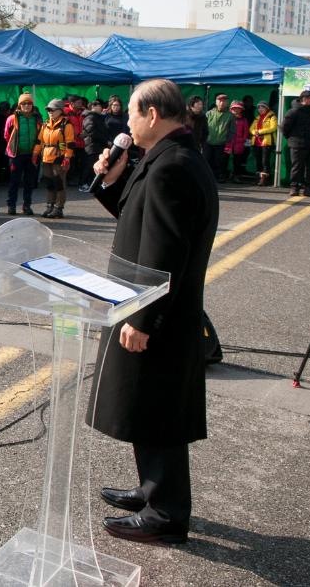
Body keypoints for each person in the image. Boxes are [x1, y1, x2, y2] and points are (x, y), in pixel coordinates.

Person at [87, 78, 217, 546]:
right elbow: (134, 214)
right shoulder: (165, 158)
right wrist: (113, 175)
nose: (126, 122)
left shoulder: (173, 166)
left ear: (153, 115)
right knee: (149, 403)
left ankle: (165, 513)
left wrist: (142, 318)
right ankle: (152, 489)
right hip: (151, 305)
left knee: (160, 407)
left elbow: (165, 251)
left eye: (131, 113)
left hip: (156, 311)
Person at [34, 98, 74, 219]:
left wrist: (67, 157)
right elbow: (39, 140)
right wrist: (35, 154)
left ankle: (58, 208)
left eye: (52, 110)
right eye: (48, 110)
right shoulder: (45, 124)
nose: (50, 112)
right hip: (46, 157)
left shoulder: (66, 124)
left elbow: (70, 143)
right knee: (49, 183)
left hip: (59, 157)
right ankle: (49, 206)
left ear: (60, 111)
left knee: (59, 183)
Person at [3, 93, 42, 216]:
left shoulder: (37, 118)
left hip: (32, 155)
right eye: (24, 103)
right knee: (14, 181)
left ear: (32, 105)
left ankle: (27, 206)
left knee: (29, 182)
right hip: (16, 155)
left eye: (29, 103)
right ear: (19, 105)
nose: (26, 105)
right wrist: (15, 147)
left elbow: (40, 134)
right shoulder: (12, 118)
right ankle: (11, 205)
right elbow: (6, 135)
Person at [281, 89, 310, 197]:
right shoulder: (294, 111)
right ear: (305, 99)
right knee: (297, 167)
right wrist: (292, 138)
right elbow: (284, 128)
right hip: (297, 144)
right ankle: (294, 187)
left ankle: (308, 189)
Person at [204, 94, 234, 183]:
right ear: (216, 102)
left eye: (224, 101)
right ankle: (206, 177)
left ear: (227, 103)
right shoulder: (209, 113)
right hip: (208, 142)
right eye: (220, 101)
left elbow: (232, 131)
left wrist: (227, 141)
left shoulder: (230, 116)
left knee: (220, 162)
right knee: (206, 160)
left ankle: (219, 177)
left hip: (222, 143)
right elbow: (203, 128)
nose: (222, 103)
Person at [81, 98, 109, 190]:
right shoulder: (90, 117)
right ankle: (83, 184)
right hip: (91, 146)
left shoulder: (97, 116)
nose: (102, 108)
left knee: (94, 166)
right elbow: (91, 132)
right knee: (89, 166)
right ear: (93, 107)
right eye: (100, 106)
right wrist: (105, 140)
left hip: (97, 145)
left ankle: (91, 184)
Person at [250, 100, 278, 187]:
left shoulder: (272, 117)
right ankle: (258, 179)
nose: (260, 109)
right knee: (258, 161)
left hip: (267, 142)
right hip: (256, 142)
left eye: (262, 107)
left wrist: (260, 131)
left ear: (267, 108)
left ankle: (265, 180)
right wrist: (255, 132)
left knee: (265, 161)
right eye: (258, 108)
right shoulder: (257, 117)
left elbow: (273, 128)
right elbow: (251, 129)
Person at [225, 101, 251, 183]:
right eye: (234, 108)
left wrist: (242, 140)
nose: (236, 110)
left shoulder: (244, 120)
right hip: (228, 142)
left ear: (241, 110)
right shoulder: (226, 117)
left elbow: (246, 132)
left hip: (238, 143)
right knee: (224, 159)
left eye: (238, 108)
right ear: (231, 109)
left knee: (237, 161)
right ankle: (223, 175)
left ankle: (236, 176)